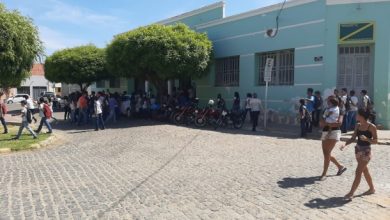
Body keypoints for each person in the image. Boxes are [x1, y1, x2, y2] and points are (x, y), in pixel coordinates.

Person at [341, 108, 377, 200]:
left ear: (362, 116)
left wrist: (367, 139)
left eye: (357, 115)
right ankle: (372, 189)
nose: (356, 116)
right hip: (357, 150)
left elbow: (376, 141)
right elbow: (353, 138)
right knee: (364, 170)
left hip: (366, 152)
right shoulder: (358, 125)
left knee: (358, 172)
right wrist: (345, 144)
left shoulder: (371, 126)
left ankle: (351, 193)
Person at [319, 96, 346, 181]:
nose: (327, 102)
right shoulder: (326, 110)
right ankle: (340, 167)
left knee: (327, 153)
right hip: (325, 132)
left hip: (334, 133)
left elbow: (339, 123)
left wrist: (327, 124)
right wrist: (326, 123)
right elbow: (321, 123)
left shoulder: (340, 110)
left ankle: (324, 174)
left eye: (329, 101)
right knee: (326, 153)